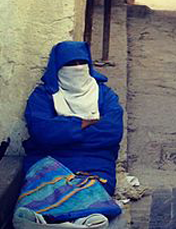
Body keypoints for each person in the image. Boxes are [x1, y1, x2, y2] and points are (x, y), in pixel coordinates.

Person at [22, 41, 123, 195]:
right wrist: (83, 123)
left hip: (95, 159)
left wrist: (64, 133)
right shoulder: (43, 96)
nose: (77, 67)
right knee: (44, 192)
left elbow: (112, 131)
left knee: (94, 192)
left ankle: (86, 217)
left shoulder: (104, 94)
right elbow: (42, 131)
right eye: (70, 64)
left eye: (82, 63)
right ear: (57, 67)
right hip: (50, 159)